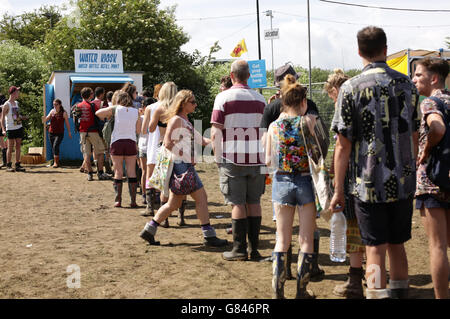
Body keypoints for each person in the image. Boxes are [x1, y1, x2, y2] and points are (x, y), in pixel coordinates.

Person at [330, 26, 420, 299]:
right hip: (403, 181)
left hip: (368, 184)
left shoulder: (350, 88)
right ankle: (399, 293)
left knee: (374, 248)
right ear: (385, 49)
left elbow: (342, 145)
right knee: (397, 244)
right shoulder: (408, 85)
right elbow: (415, 135)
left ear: (359, 52)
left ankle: (376, 294)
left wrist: (337, 189)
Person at [140, 90, 228, 247]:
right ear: (183, 103)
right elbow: (167, 143)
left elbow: (201, 140)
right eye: (192, 102)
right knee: (201, 199)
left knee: (173, 204)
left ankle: (149, 230)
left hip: (182, 166)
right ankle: (209, 236)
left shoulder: (185, 120)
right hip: (181, 166)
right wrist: (188, 158)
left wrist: (219, 141)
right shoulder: (176, 120)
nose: (195, 105)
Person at [260, 66, 324, 280]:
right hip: (305, 182)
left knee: (281, 239)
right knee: (305, 239)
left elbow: (267, 160)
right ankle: (301, 289)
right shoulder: (308, 122)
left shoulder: (273, 126)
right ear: (303, 102)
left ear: (282, 102)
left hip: (281, 182)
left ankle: (277, 287)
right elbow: (318, 153)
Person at [211, 60, 267, 261]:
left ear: (232, 75)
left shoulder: (223, 98)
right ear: (249, 75)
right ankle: (254, 249)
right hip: (257, 158)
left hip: (231, 157)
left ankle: (239, 249)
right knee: (254, 202)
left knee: (237, 204)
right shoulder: (261, 99)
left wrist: (217, 158)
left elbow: (216, 129)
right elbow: (265, 131)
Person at [324, 69, 366, 299]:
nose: (332, 100)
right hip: (368, 175)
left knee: (354, 227)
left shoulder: (346, 108)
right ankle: (372, 275)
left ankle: (356, 279)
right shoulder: (364, 103)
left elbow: (341, 147)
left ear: (335, 91)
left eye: (332, 95)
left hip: (351, 177)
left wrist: (335, 178)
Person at [412, 57, 450, 299]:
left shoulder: (429, 103)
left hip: (432, 181)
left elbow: (437, 128)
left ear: (433, 78)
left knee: (438, 246)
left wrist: (425, 151)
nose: (414, 79)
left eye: (418, 75)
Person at [96, 91, 142, 208]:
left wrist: (112, 108)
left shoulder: (116, 109)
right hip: (131, 142)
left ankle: (118, 200)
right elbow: (138, 130)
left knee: (118, 171)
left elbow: (98, 113)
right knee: (131, 171)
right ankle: (133, 201)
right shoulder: (135, 111)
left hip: (117, 142)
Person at [141, 82, 178, 223]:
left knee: (151, 177)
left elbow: (146, 130)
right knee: (169, 180)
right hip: (173, 147)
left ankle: (150, 207)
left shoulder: (151, 108)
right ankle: (172, 212)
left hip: (155, 146)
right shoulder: (178, 108)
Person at [75, 87, 107, 181]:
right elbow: (100, 117)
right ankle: (100, 173)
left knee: (86, 154)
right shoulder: (92, 105)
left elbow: (76, 120)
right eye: (92, 93)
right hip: (93, 132)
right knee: (100, 152)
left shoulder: (78, 106)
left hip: (83, 132)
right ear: (90, 95)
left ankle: (89, 174)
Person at [1, 86, 27, 172]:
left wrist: (22, 117)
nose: (18, 93)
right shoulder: (6, 104)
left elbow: (16, 115)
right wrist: (3, 129)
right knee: (10, 147)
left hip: (18, 127)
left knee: (18, 145)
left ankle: (18, 164)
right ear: (13, 93)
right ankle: (8, 165)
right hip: (10, 128)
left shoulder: (16, 103)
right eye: (17, 91)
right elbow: (2, 118)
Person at [42, 99, 72, 168]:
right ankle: (56, 162)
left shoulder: (64, 113)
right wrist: (44, 119)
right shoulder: (52, 111)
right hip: (51, 132)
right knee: (54, 147)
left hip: (59, 133)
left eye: (56, 104)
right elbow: (46, 119)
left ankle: (56, 163)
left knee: (55, 146)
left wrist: (69, 132)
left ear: (60, 105)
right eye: (54, 104)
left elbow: (67, 123)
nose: (55, 106)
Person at [138, 97, 156, 205]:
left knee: (144, 171)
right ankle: (155, 194)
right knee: (154, 172)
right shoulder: (157, 116)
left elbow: (139, 131)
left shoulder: (140, 118)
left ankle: (144, 195)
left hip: (143, 145)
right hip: (153, 146)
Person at [92, 87, 113, 176]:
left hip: (93, 130)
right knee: (106, 149)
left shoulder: (91, 103)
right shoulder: (103, 103)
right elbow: (107, 116)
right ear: (101, 94)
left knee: (95, 149)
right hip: (102, 130)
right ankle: (107, 168)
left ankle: (96, 166)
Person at [0, 92, 7, 168]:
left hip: (2, 128)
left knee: (3, 145)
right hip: (5, 127)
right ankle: (5, 161)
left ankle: (5, 162)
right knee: (5, 144)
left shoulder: (1, 107)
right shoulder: (6, 105)